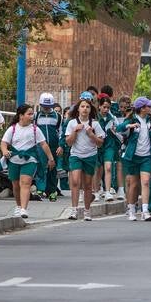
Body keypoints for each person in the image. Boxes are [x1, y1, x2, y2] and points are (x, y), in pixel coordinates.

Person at [0, 103, 55, 219]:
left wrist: (51, 158)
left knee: (25, 184)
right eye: (29, 114)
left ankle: (24, 209)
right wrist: (5, 151)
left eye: (32, 114)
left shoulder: (35, 129)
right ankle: (18, 206)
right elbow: (4, 143)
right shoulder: (13, 129)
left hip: (30, 159)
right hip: (14, 160)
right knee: (16, 185)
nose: (32, 116)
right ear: (21, 116)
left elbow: (44, 144)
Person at [65, 92, 105, 220]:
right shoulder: (72, 123)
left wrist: (91, 134)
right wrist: (75, 131)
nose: (85, 109)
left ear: (90, 110)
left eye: (87, 107)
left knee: (88, 184)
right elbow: (69, 142)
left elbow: (100, 144)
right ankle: (74, 210)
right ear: (78, 109)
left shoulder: (95, 124)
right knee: (76, 181)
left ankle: (87, 211)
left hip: (90, 156)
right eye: (82, 106)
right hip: (76, 155)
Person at [117, 96, 151, 222]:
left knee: (145, 182)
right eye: (148, 106)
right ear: (142, 108)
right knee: (133, 185)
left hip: (147, 156)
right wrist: (129, 125)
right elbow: (119, 129)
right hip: (132, 157)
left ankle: (145, 211)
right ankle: (132, 209)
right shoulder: (132, 118)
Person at [33, 92, 60, 202]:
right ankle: (40, 189)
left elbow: (61, 132)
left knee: (52, 168)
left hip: (54, 146)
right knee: (41, 166)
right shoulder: (36, 116)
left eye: (48, 107)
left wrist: (61, 146)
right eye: (44, 106)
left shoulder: (58, 116)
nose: (46, 109)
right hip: (40, 146)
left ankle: (52, 190)